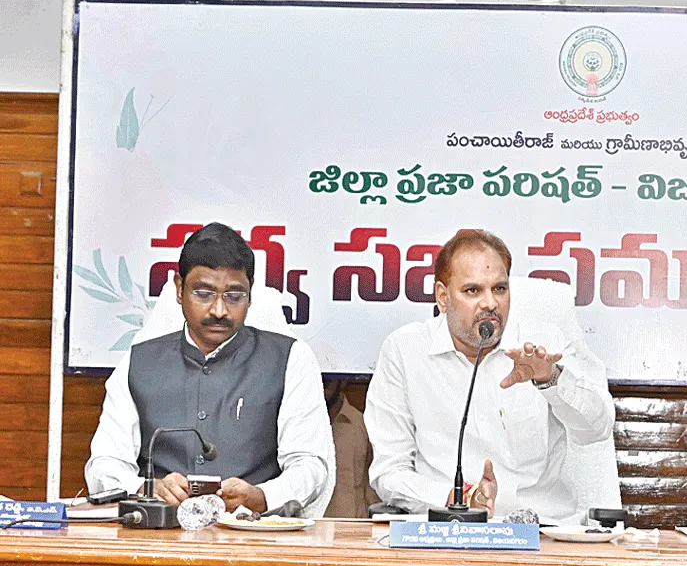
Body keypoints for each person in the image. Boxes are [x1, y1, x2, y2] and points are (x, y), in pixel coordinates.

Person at [364, 229, 614, 524]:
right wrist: (456, 498)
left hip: (540, 532)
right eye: (473, 291)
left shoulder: (543, 344)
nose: (490, 303)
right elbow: (389, 472)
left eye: (499, 289)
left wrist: (551, 379)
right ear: (443, 297)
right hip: (448, 530)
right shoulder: (405, 351)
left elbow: (597, 428)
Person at [85, 223, 335, 517]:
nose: (219, 310)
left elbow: (310, 466)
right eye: (204, 294)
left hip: (256, 535)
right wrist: (146, 489)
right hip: (159, 534)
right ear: (180, 289)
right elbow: (104, 464)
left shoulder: (290, 359)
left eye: (234, 296)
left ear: (251, 293)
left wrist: (262, 496)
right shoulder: (138, 362)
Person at [323, 380, 380, 518]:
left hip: (355, 527)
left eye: (328, 380)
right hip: (307, 528)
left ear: (343, 381)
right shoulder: (294, 427)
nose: (322, 382)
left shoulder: (365, 425)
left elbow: (375, 490)